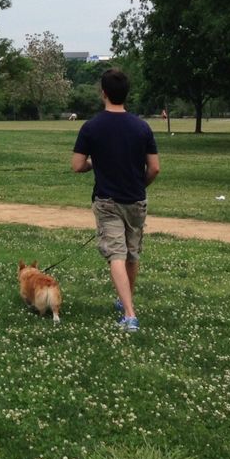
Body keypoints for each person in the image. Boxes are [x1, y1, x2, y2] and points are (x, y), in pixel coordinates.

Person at [71, 68, 161, 333]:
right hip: (136, 200)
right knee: (132, 254)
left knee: (116, 256)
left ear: (103, 93)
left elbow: (77, 165)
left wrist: (92, 163)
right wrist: (139, 184)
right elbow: (154, 168)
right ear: (126, 94)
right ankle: (125, 302)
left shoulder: (91, 127)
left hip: (107, 201)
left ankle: (130, 315)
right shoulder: (142, 127)